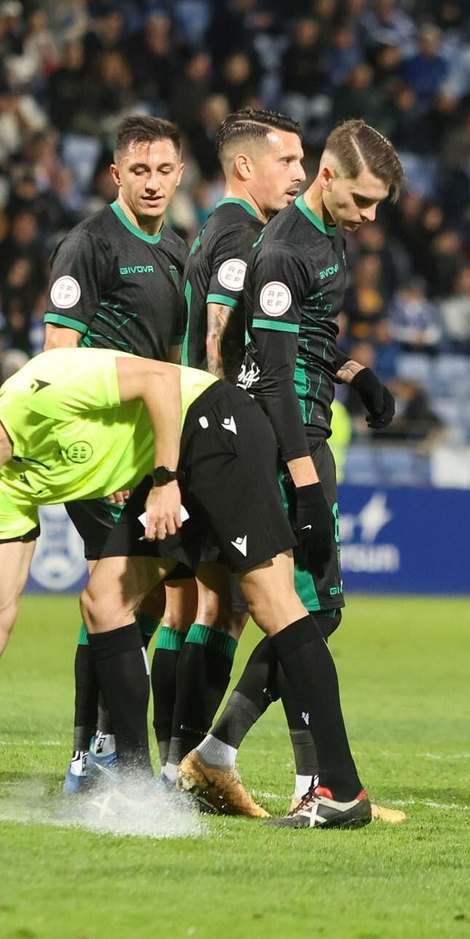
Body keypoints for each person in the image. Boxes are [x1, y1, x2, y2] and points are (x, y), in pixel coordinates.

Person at [0, 348, 373, 828]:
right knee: (102, 601)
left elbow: (159, 380)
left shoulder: (40, 388)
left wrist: (166, 481)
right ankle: (136, 789)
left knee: (271, 601)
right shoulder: (12, 486)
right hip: (167, 466)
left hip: (212, 422)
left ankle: (340, 790)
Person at [180, 119, 399, 818]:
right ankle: (318, 785)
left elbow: (312, 336)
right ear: (330, 178)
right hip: (280, 442)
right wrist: (303, 482)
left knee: (312, 609)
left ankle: (217, 756)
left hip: (309, 431)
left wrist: (359, 376)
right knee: (298, 610)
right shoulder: (279, 251)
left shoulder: (329, 236)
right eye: (362, 201)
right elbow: (272, 377)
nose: (368, 218)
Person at [40, 115, 189, 793]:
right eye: (139, 171)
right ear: (115, 175)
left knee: (142, 593)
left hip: (147, 454)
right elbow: (57, 359)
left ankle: (96, 746)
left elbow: (175, 367)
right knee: (119, 592)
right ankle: (101, 754)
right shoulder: (89, 246)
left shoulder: (179, 252)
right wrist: (96, 453)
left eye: (163, 171)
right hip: (95, 455)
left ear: (180, 174)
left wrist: (171, 461)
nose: (152, 183)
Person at [160, 108, 305, 780]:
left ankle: (173, 759)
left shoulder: (214, 231)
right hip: (224, 440)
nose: (300, 177)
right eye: (288, 163)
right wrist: (231, 426)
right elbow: (218, 332)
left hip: (198, 436)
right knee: (229, 607)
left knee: (205, 603)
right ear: (244, 165)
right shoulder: (242, 235)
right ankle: (186, 759)